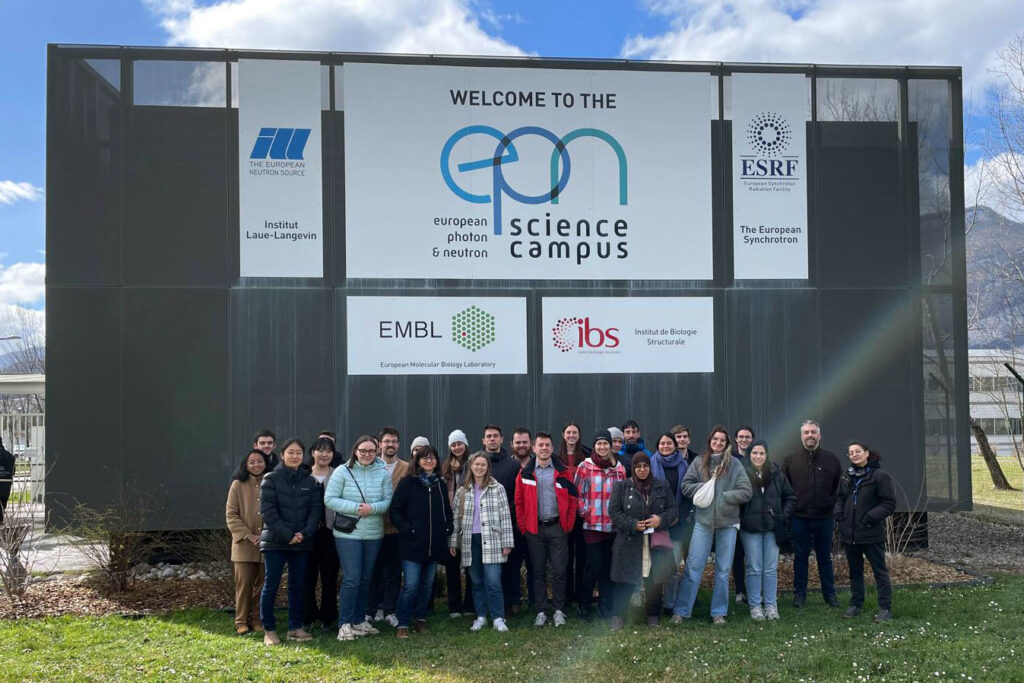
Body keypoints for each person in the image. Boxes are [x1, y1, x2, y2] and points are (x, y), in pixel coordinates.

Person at [671, 426, 752, 625]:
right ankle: (681, 611)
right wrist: (706, 489)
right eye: (715, 439)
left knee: (723, 569)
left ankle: (718, 612)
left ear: (726, 444)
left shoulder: (734, 465)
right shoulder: (699, 462)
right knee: (693, 565)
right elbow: (686, 486)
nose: (718, 443)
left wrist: (725, 496)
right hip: (703, 522)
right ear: (710, 441)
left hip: (728, 523)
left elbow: (746, 491)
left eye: (722, 441)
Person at [324, 435, 393, 642]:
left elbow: (388, 501)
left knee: (365, 578)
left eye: (371, 451)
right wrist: (356, 509)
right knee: (352, 578)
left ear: (377, 451)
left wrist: (372, 509)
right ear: (355, 451)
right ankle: (344, 623)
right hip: (348, 534)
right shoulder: (342, 471)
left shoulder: (382, 473)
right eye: (363, 451)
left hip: (373, 533)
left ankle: (358, 620)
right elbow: (329, 499)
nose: (367, 454)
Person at [258, 438, 322, 645]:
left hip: (302, 542)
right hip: (276, 541)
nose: (295, 456)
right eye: (291, 452)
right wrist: (288, 535)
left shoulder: (309, 481)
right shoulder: (271, 479)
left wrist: (304, 533)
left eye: (298, 453)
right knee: (271, 585)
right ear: (283, 454)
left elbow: (315, 511)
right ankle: (269, 629)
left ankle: (295, 627)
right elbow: (268, 512)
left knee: (298, 586)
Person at [609, 452, 679, 630]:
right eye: (638, 467)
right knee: (624, 580)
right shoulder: (622, 486)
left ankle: (653, 615)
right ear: (632, 468)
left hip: (654, 541)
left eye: (645, 466)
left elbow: (673, 510)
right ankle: (619, 616)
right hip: (629, 541)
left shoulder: (662, 485)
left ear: (650, 467)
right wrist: (632, 524)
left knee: (654, 580)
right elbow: (614, 512)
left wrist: (660, 520)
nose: (642, 470)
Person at [515, 431, 578, 628]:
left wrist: (567, 523)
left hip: (558, 528)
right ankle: (541, 610)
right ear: (534, 449)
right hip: (535, 530)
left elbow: (573, 498)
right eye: (540, 445)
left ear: (552, 448)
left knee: (560, 570)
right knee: (538, 571)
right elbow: (519, 502)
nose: (544, 448)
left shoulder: (563, 471)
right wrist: (524, 527)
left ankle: (559, 610)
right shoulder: (525, 473)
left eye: (547, 445)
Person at [390, 446, 454, 638]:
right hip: (412, 545)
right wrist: (409, 529)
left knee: (427, 586)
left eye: (432, 458)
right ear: (417, 461)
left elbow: (446, 511)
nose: (429, 461)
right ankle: (402, 623)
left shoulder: (439, 485)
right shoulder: (408, 483)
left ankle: (420, 619)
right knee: (411, 585)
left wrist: (448, 527)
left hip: (434, 545)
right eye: (424, 458)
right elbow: (395, 511)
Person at [450, 451, 515, 633]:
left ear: (488, 468)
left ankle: (498, 617)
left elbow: (505, 517)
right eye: (476, 464)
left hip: (492, 539)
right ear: (471, 466)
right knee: (477, 581)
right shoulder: (463, 491)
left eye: (483, 465)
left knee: (493, 580)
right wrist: (453, 542)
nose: (479, 467)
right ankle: (481, 616)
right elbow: (456, 518)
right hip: (470, 541)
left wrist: (507, 542)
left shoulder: (498, 488)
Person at [782, 420, 842, 608]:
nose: (810, 435)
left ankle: (829, 595)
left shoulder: (831, 460)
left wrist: (830, 504)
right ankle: (799, 595)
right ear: (801, 436)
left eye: (813, 432)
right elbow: (785, 489)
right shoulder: (790, 461)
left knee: (825, 557)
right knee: (800, 557)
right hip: (799, 518)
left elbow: (838, 488)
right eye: (806, 432)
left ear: (819, 435)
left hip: (824, 517)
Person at [836, 440, 896, 622]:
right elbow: (839, 498)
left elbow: (889, 504)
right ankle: (856, 604)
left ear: (867, 453)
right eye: (851, 452)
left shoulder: (879, 476)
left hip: (871, 533)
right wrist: (838, 514)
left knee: (880, 572)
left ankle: (885, 608)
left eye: (858, 451)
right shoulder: (846, 476)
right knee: (855, 572)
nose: (855, 454)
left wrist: (870, 517)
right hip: (850, 534)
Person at [739, 440, 794, 621]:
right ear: (749, 455)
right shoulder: (742, 473)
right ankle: (755, 606)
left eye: (762, 453)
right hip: (750, 528)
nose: (758, 456)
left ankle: (771, 605)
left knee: (770, 569)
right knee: (754, 568)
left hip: (772, 528)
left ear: (767, 455)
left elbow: (790, 497)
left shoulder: (777, 474)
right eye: (754, 453)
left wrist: (782, 515)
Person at [574, 430, 627, 620]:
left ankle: (605, 606)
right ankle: (584, 604)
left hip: (613, 527)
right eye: (599, 444)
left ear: (611, 446)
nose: (602, 447)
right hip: (593, 526)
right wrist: (585, 512)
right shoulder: (585, 467)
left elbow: (622, 496)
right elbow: (577, 494)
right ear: (594, 446)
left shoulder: (619, 469)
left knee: (608, 569)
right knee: (593, 567)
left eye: (606, 444)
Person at [478, 424, 523, 614]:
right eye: (488, 436)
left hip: (507, 523)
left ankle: (512, 602)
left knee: (509, 566)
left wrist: (506, 514)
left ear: (502, 439)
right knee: (485, 569)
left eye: (495, 436)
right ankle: (485, 605)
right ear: (483, 440)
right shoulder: (477, 463)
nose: (492, 439)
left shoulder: (512, 465)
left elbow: (517, 494)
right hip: (482, 526)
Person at [367, 426, 408, 626]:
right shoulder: (370, 466)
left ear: (398, 444)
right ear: (380, 444)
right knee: (373, 571)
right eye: (386, 441)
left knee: (394, 572)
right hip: (373, 528)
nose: (390, 445)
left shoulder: (407, 468)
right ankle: (371, 610)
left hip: (396, 530)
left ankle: (390, 610)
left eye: (394, 441)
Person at [225, 449, 268, 635]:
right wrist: (249, 536)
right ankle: (241, 621)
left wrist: (266, 535)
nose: (256, 465)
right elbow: (231, 516)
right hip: (244, 545)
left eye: (260, 461)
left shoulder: (271, 482)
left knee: (262, 585)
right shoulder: (237, 485)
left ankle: (258, 619)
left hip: (267, 544)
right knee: (243, 585)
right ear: (245, 464)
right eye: (252, 462)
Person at [649, 432, 690, 613]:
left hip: (677, 522)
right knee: (654, 566)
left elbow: (688, 494)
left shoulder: (684, 465)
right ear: (657, 446)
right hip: (655, 522)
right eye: (662, 443)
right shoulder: (650, 464)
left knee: (672, 566)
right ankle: (653, 603)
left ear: (675, 445)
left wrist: (677, 515)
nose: (665, 446)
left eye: (669, 443)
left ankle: (670, 604)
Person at [303, 437, 340, 633]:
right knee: (307, 577)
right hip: (307, 534)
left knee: (330, 577)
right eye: (320, 450)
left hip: (331, 534)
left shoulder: (338, 474)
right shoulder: (303, 475)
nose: (324, 454)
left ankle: (328, 617)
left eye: (328, 451)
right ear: (312, 453)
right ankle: (308, 616)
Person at [440, 429, 474, 617]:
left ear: (465, 444)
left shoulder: (473, 464)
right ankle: (454, 606)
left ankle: (469, 604)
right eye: (453, 444)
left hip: (468, 519)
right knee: (452, 565)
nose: (457, 447)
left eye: (459, 443)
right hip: (449, 521)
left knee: (469, 565)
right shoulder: (446, 467)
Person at [558, 422, 590, 610]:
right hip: (564, 513)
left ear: (579, 435)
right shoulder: (556, 457)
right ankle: (567, 596)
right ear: (563, 434)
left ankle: (581, 594)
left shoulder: (586, 457)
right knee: (566, 556)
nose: (571, 435)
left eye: (574, 432)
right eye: (568, 432)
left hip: (582, 514)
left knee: (583, 556)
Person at [507, 427, 535, 607]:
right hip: (511, 525)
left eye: (525, 442)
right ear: (511, 444)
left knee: (535, 566)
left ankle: (535, 601)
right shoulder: (507, 465)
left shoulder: (537, 464)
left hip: (534, 525)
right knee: (512, 567)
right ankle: (513, 602)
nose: (522, 445)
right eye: (518, 442)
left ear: (531, 444)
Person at [731, 425, 756, 604]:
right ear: (736, 439)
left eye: (747, 437)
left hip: (754, 512)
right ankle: (740, 590)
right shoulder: (731, 459)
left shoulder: (757, 457)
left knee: (754, 554)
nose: (744, 439)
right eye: (741, 437)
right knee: (738, 553)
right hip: (735, 512)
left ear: (752, 439)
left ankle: (755, 590)